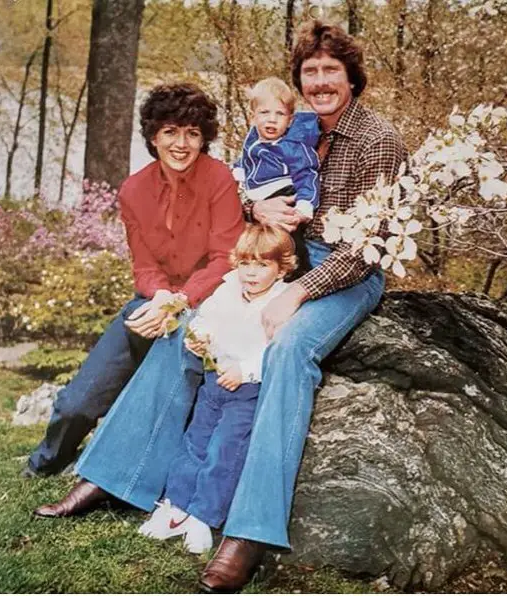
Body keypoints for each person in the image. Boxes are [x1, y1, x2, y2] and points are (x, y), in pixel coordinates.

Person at [32, 20, 405, 594]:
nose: (321, 81)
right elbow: (255, 199)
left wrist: (299, 292)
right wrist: (261, 217)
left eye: (332, 71)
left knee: (286, 350)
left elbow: (370, 243)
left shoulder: (378, 138)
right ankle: (114, 474)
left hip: (342, 270)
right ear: (299, 81)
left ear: (352, 78)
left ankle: (250, 530)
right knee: (191, 330)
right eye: (311, 71)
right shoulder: (289, 125)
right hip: (278, 258)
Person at [23, 82, 244, 477]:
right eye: (171, 132)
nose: (181, 144)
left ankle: (133, 475)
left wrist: (179, 302)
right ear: (154, 136)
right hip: (151, 303)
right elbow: (143, 266)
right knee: (77, 401)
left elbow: (225, 259)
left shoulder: (219, 179)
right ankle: (45, 463)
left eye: (192, 134)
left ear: (204, 139)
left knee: (169, 398)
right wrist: (160, 298)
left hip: (207, 307)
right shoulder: (133, 189)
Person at [136, 224, 297, 554]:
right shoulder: (227, 289)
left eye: (262, 265)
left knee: (225, 450)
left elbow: (275, 349)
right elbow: (205, 319)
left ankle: (203, 516)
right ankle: (175, 507)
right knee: (194, 443)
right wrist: (199, 337)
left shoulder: (283, 301)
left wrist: (246, 370)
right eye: (246, 263)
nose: (251, 273)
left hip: (247, 390)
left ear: (281, 269)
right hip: (214, 381)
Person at [233, 77, 320, 273]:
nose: (272, 119)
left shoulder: (293, 146)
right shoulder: (253, 136)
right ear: (253, 116)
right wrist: (239, 169)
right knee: (259, 240)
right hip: (258, 194)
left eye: (280, 114)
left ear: (290, 120)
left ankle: (299, 270)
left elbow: (307, 175)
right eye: (264, 112)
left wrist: (306, 203)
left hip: (284, 192)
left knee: (286, 237)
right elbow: (248, 158)